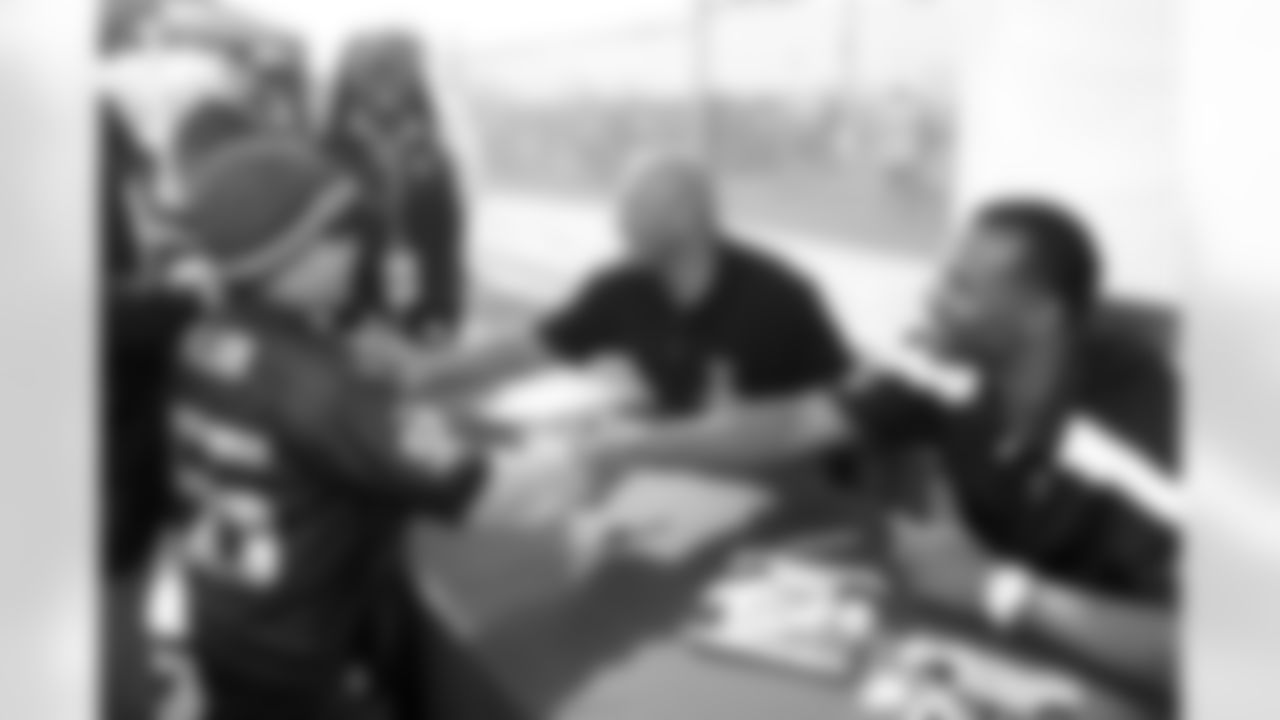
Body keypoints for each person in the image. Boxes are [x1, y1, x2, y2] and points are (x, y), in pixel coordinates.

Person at [582, 198, 1179, 695]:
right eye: (943, 276)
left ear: (1039, 316)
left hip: (1104, 678)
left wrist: (998, 588)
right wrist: (626, 445)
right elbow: (796, 423)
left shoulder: (1140, 425)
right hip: (976, 653)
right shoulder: (948, 357)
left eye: (962, 288)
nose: (931, 298)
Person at [147, 134, 591, 720]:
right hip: (313, 667)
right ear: (285, 255)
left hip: (229, 630)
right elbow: (480, 489)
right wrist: (586, 459)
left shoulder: (201, 337)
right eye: (337, 233)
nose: (357, 247)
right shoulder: (321, 384)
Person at [362, 153, 850, 424]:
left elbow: (834, 416)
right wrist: (424, 373)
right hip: (699, 459)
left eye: (635, 210)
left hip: (800, 477)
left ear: (688, 215)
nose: (619, 225)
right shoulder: (622, 287)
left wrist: (630, 446)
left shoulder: (775, 297)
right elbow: (524, 350)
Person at [327, 31, 468, 343]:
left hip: (418, 316)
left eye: (396, 75)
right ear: (353, 82)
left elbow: (445, 241)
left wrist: (443, 313)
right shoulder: (331, 151)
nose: (386, 87)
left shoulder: (430, 151)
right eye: (375, 74)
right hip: (349, 318)